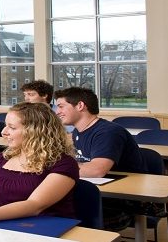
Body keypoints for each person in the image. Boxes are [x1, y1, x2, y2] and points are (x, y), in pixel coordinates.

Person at [54, 86, 149, 230]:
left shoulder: (108, 132)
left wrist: (55, 168)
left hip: (122, 203)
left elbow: (96, 171)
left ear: (80, 105)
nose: (57, 112)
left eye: (61, 106)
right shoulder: (77, 132)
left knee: (58, 216)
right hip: (97, 195)